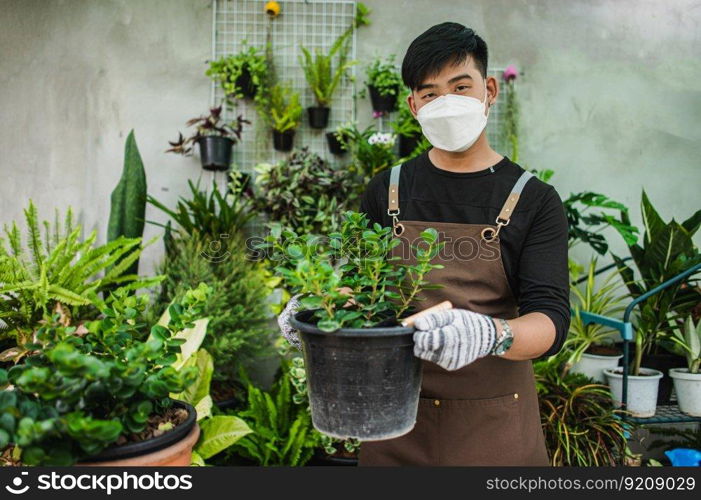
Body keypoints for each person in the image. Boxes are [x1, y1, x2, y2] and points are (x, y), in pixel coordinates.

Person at [279, 22, 570, 466]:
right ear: (414, 105)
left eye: (460, 86)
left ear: (489, 89)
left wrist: (493, 333)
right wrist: (315, 313)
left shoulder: (534, 200)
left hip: (494, 425)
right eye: (431, 93)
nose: (447, 103)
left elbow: (550, 320)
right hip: (391, 418)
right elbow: (359, 291)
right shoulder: (387, 190)